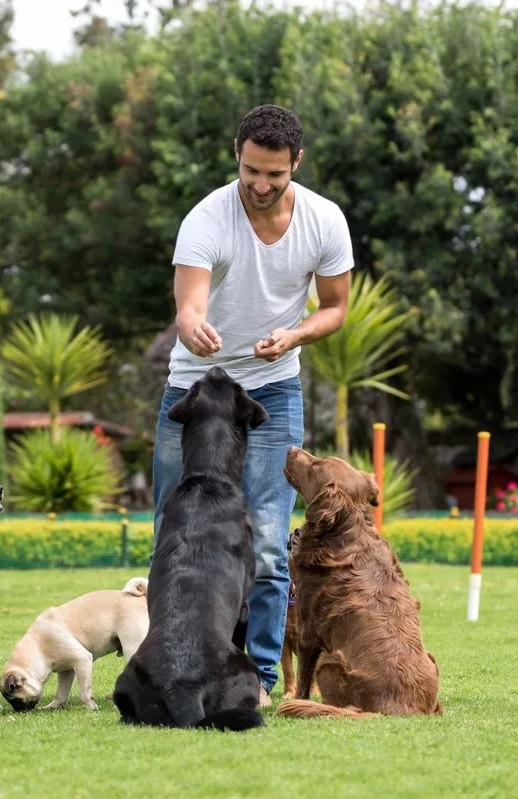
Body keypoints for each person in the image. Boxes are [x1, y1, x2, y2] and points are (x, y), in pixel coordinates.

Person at [152, 104, 354, 707]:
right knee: (174, 533)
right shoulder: (207, 218)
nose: (261, 186)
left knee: (266, 541)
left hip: (272, 392)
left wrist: (295, 336)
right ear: (235, 153)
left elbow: (335, 307)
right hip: (194, 394)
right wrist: (192, 326)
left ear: (297, 162)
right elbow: (189, 302)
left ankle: (259, 679)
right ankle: (169, 662)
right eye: (250, 171)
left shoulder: (324, 220)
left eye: (274, 174)